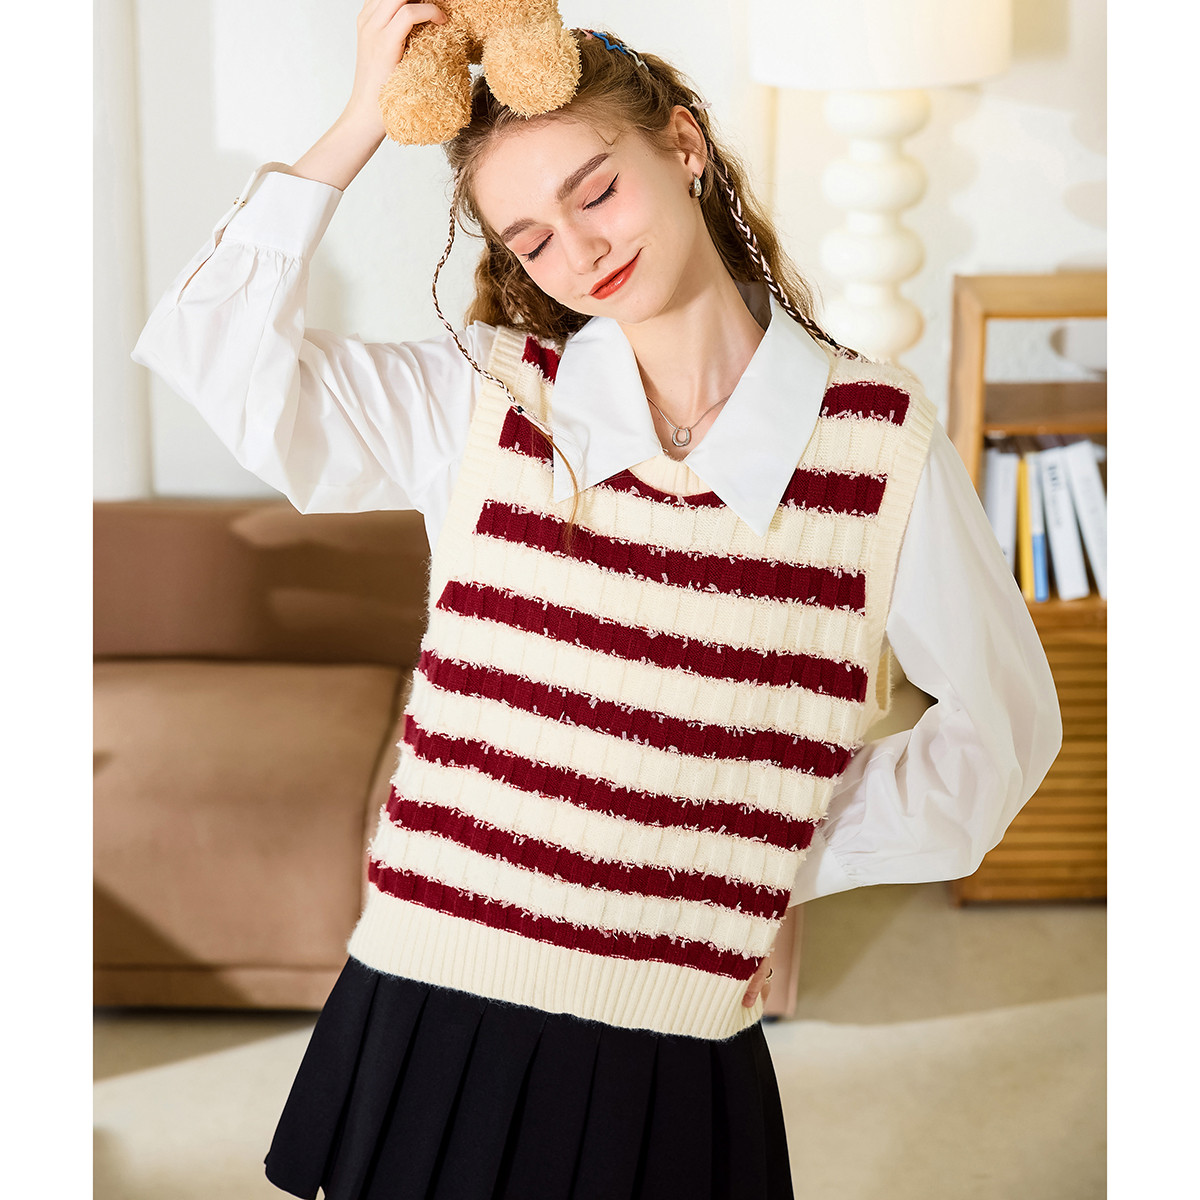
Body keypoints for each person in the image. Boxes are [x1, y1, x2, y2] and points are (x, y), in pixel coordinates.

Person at [130, 5, 1062, 1198]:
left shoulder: (879, 453)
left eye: (597, 191)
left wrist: (757, 857)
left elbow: (1003, 736)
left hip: (668, 1041)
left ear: (684, 145)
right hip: (428, 1008)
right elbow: (211, 348)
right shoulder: (483, 402)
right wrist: (365, 115)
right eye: (531, 238)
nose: (577, 250)